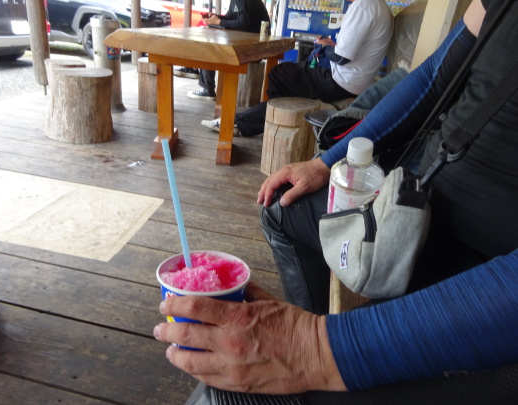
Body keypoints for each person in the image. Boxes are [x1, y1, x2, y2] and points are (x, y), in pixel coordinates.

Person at [153, 0, 518, 403]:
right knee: (283, 206)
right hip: (417, 205)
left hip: (489, 276)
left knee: (225, 397)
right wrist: (325, 162)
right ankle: (315, 318)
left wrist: (316, 347)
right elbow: (433, 78)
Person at [201, 0, 393, 136]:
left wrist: (324, 47)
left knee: (277, 74)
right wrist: (331, 46)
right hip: (351, 79)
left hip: (339, 80)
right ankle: (256, 120)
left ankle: (245, 122)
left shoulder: (364, 5)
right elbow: (350, 51)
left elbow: (342, 57)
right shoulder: (377, 6)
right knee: (287, 81)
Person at [177, 0, 270, 102]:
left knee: (211, 46)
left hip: (254, 49)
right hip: (243, 43)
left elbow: (244, 24)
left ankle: (205, 85)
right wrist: (215, 17)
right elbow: (231, 17)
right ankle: (194, 70)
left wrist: (219, 22)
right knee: (209, 39)